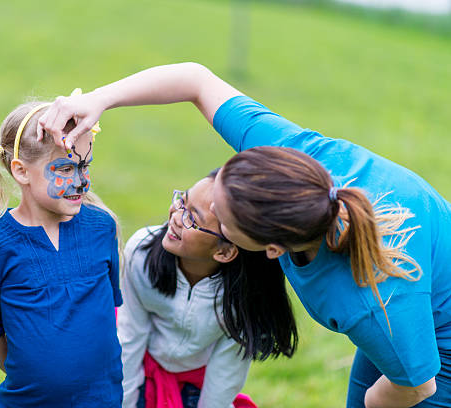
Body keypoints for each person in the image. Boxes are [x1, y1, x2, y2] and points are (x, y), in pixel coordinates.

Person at [37, 63, 451, 407]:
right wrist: (96, 100)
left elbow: (417, 385)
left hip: (438, 348)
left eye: (219, 220)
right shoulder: (285, 160)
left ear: (270, 249)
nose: (196, 214)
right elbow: (195, 79)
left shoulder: (368, 301)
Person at [0, 99, 123, 408]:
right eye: (67, 168)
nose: (82, 181)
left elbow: (111, 310)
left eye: (86, 166)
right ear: (22, 171)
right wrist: (36, 375)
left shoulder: (102, 227)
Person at [118, 168, 297, 408]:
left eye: (192, 218)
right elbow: (129, 338)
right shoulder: (141, 253)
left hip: (197, 386)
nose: (175, 216)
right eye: (183, 201)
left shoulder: (244, 296)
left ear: (224, 251)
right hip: (139, 372)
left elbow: (224, 377)